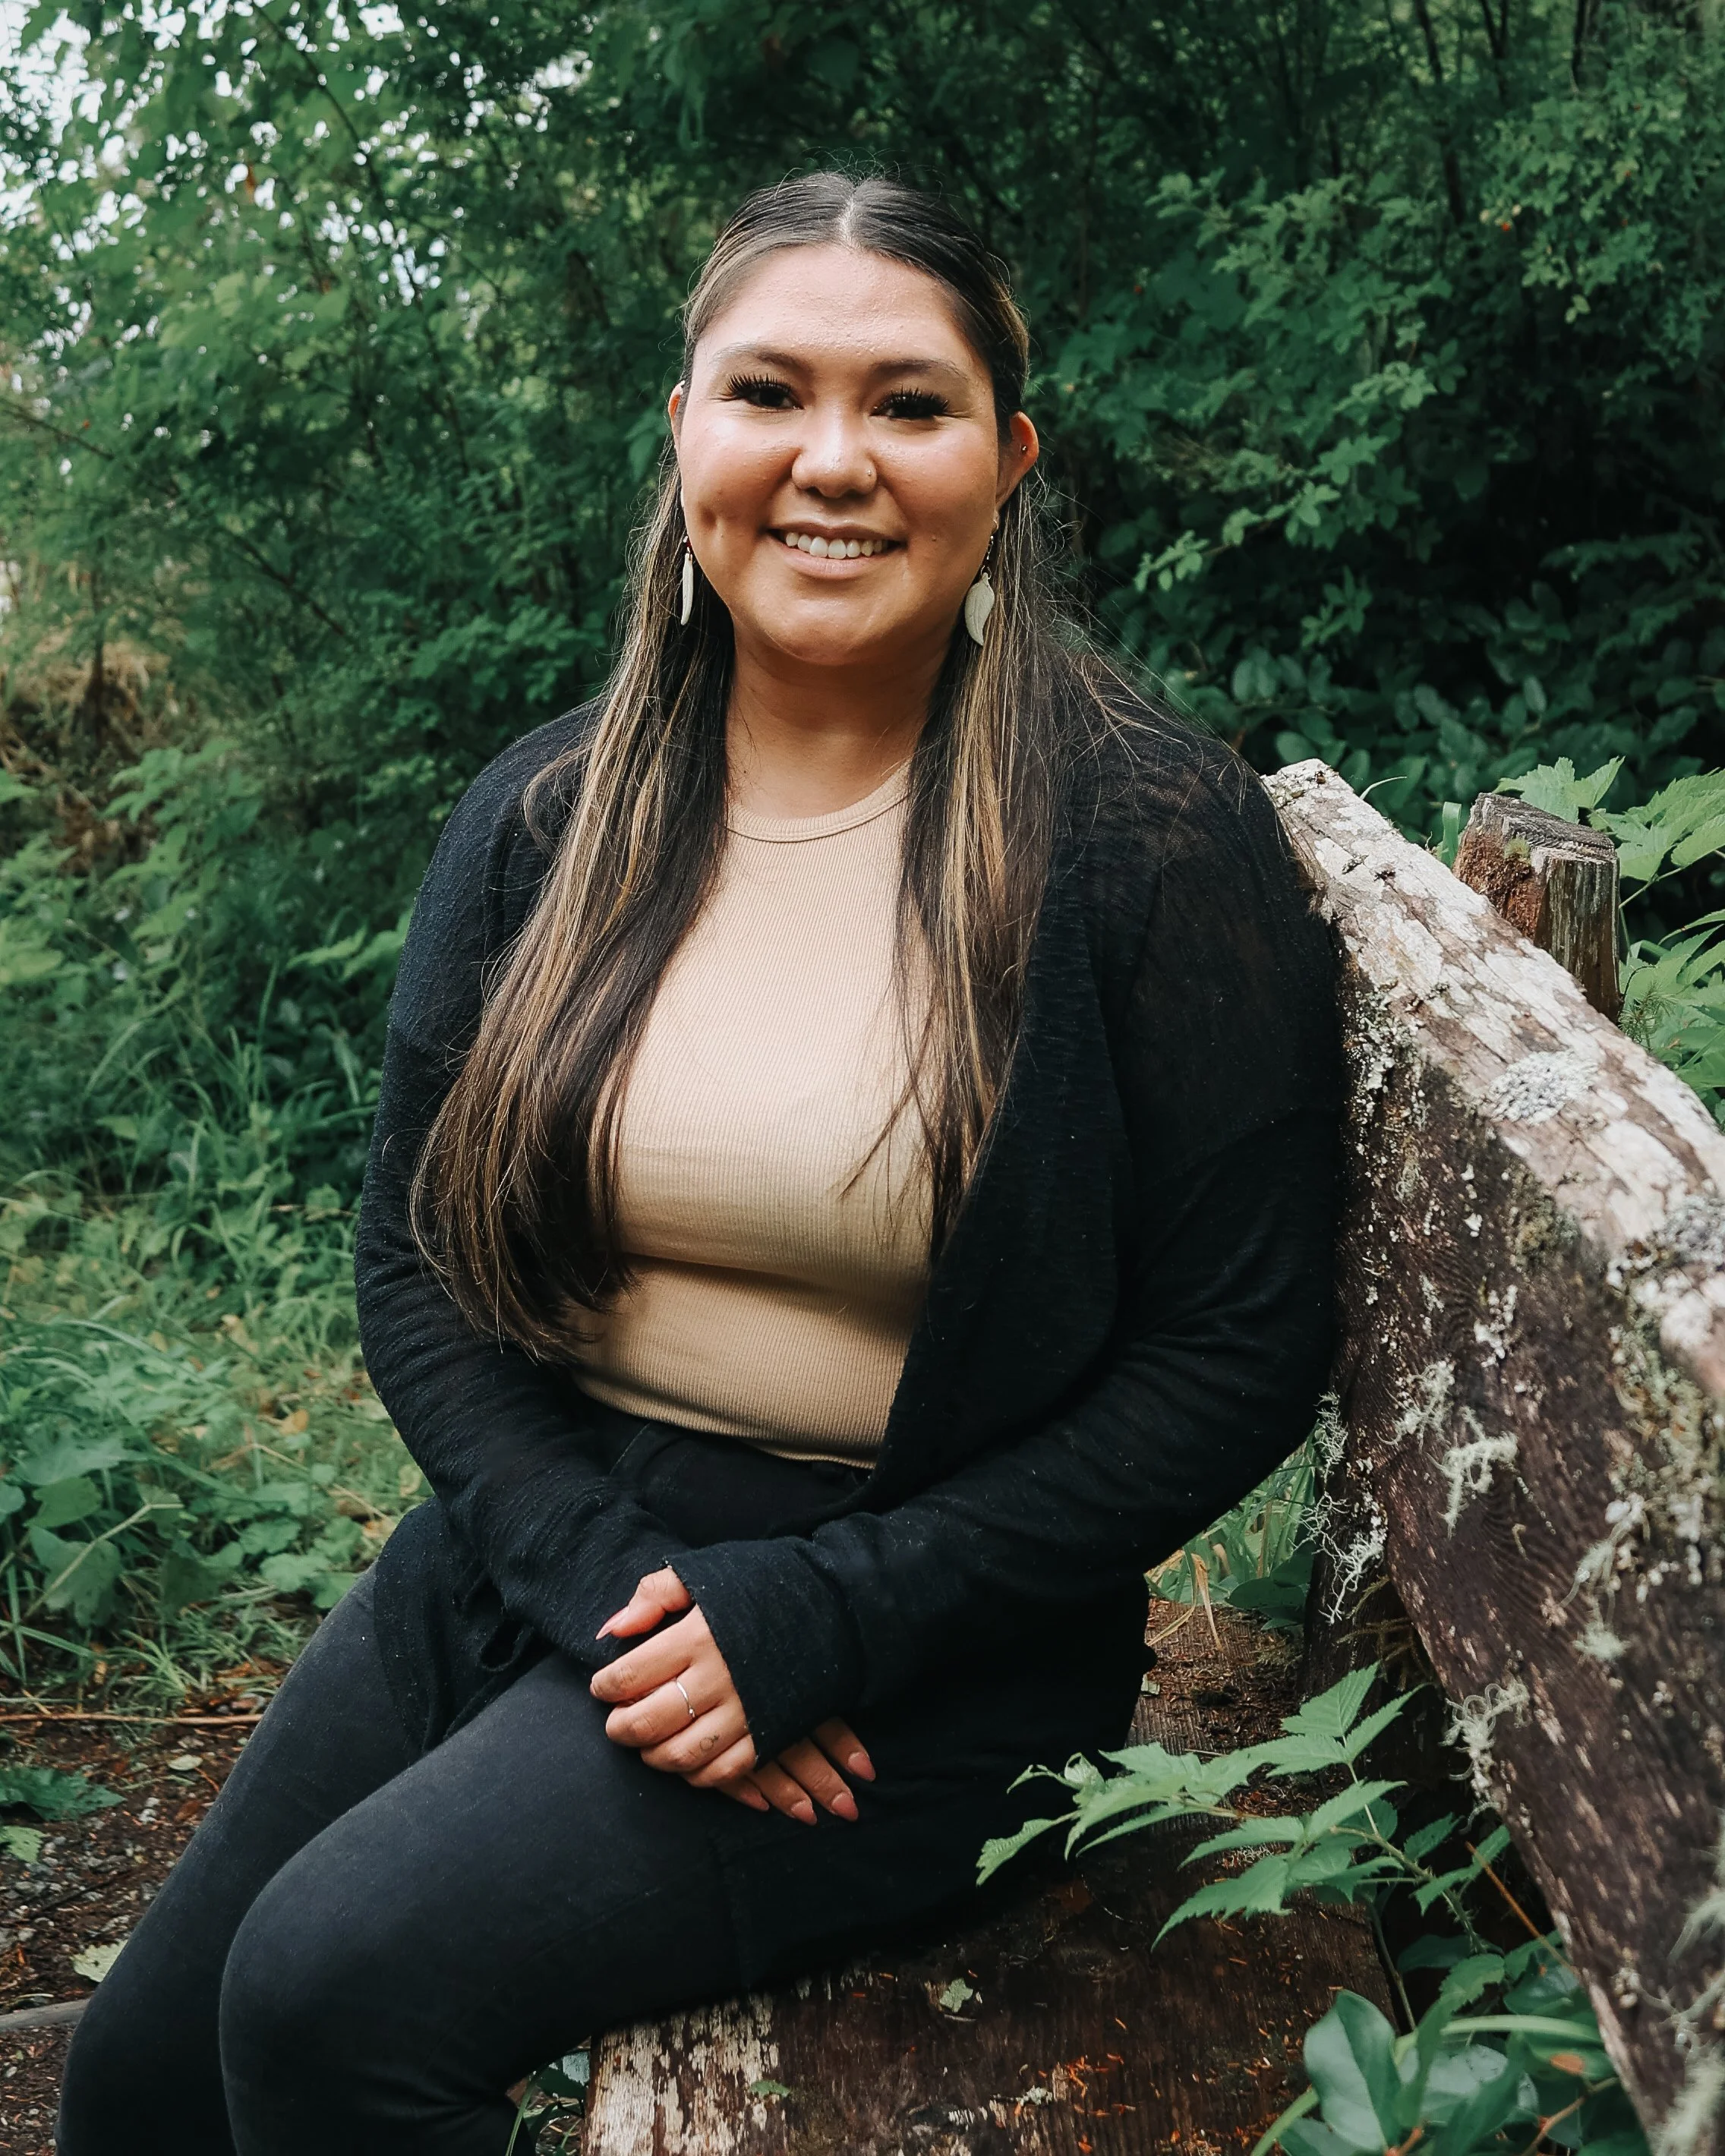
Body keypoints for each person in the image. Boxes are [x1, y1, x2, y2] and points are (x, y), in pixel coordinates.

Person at [56, 171, 1340, 2156]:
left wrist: (832, 1613)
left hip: (936, 1639)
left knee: (327, 2004)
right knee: (138, 2081)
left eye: (908, 405)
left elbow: (1237, 1348)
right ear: (685, 435)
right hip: (551, 1544)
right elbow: (418, 1261)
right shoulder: (550, 816)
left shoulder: (1147, 845)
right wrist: (608, 1583)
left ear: (1008, 461)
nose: (833, 461)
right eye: (768, 393)